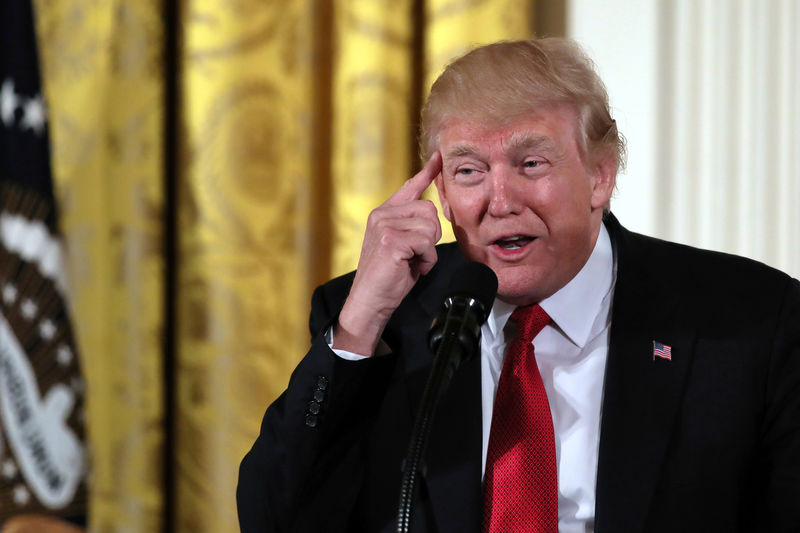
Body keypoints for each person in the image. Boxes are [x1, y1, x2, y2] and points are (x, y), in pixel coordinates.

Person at [237, 39, 800, 533]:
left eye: (531, 164)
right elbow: (274, 519)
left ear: (600, 174)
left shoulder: (753, 320)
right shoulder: (379, 318)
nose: (499, 203)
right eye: (468, 171)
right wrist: (362, 321)